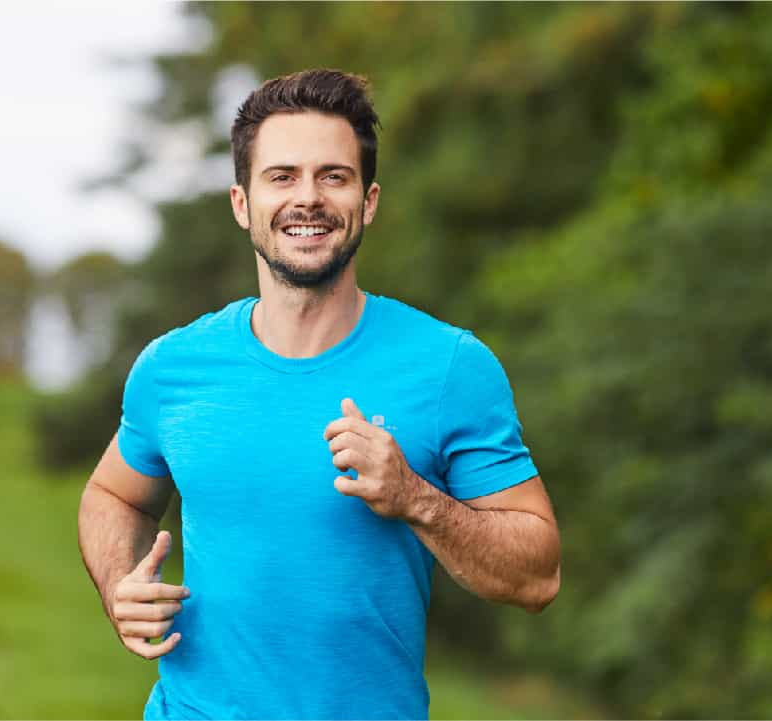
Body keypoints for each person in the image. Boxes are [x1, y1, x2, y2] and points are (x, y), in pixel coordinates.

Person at [78, 68, 561, 720]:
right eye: (281, 176)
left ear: (369, 202)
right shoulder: (174, 367)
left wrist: (416, 498)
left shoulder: (450, 367)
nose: (307, 198)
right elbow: (112, 494)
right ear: (242, 202)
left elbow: (538, 576)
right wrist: (118, 584)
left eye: (333, 176)